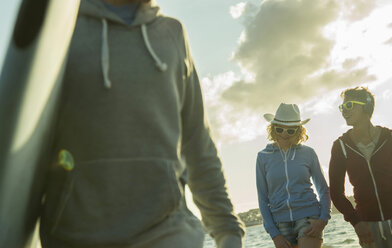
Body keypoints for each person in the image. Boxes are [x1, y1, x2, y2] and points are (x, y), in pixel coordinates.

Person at [38, 0, 245, 247]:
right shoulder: (58, 30)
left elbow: (197, 143)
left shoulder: (172, 34)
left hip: (169, 231)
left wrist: (227, 230)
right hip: (78, 234)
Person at [329, 86, 392, 248]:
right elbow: (336, 193)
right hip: (368, 228)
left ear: (365, 106)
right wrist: (357, 223)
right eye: (342, 107)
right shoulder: (341, 147)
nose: (344, 111)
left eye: (349, 105)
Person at [256, 103, 331, 248]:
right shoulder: (263, 157)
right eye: (279, 129)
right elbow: (263, 199)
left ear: (298, 131)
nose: (284, 134)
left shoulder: (308, 153)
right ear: (273, 129)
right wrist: (274, 234)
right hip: (280, 223)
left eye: (290, 131)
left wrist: (323, 219)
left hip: (309, 217)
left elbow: (323, 189)